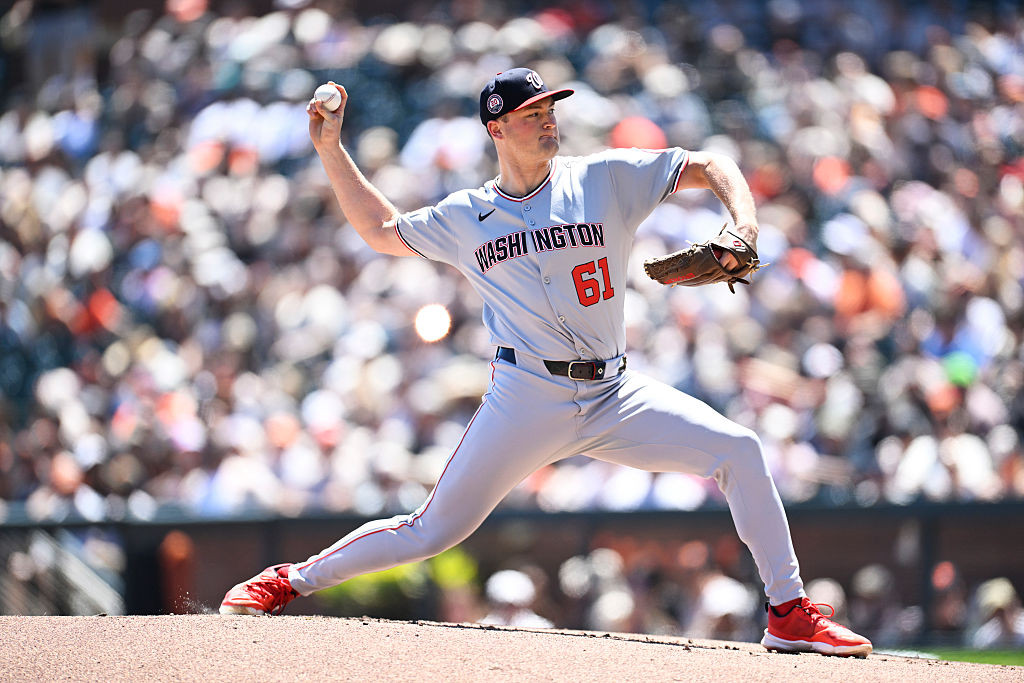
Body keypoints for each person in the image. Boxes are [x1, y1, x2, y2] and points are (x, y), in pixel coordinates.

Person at [218, 68, 872, 657]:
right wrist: (331, 150)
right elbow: (382, 231)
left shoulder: (603, 178)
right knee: (431, 530)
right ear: (496, 128)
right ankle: (287, 581)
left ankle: (789, 612)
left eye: (551, 108)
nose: (549, 118)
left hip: (615, 392)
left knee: (740, 448)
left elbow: (710, 163)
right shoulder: (467, 215)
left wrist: (744, 227)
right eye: (532, 113)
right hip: (526, 395)